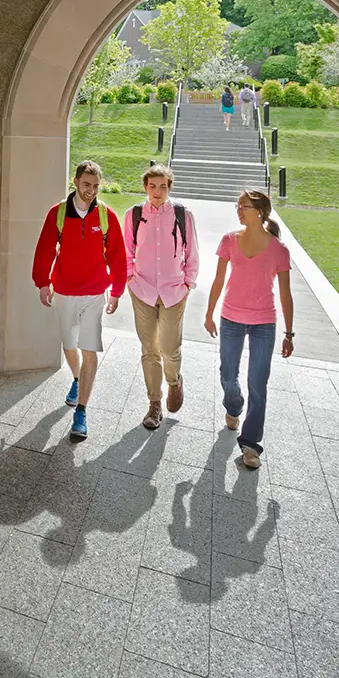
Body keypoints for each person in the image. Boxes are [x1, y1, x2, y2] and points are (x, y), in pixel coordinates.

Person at [32, 160, 126, 442]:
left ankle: (81, 412)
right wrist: (43, 282)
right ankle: (76, 379)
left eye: (96, 186)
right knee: (69, 344)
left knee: (89, 349)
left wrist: (118, 290)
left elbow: (118, 255)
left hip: (95, 292)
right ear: (75, 182)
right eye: (86, 185)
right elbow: (46, 248)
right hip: (64, 291)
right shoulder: (58, 214)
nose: (91, 191)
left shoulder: (106, 216)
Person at [203, 189, 295, 469]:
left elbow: (285, 294)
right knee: (227, 375)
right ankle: (233, 406)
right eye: (238, 206)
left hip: (264, 324)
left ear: (260, 212)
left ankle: (251, 445)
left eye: (244, 206)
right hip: (231, 318)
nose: (239, 210)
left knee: (259, 384)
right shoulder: (229, 240)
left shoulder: (279, 250)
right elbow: (218, 280)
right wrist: (209, 314)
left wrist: (289, 333)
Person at [122, 164, 198, 430]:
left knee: (169, 347)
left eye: (162, 186)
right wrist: (130, 278)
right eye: (152, 186)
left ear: (169, 187)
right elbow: (126, 251)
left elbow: (193, 254)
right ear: (146, 187)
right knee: (150, 349)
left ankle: (174, 381)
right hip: (141, 290)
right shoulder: (133, 214)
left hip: (174, 291)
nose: (157, 192)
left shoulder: (182, 215)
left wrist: (188, 283)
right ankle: (154, 404)